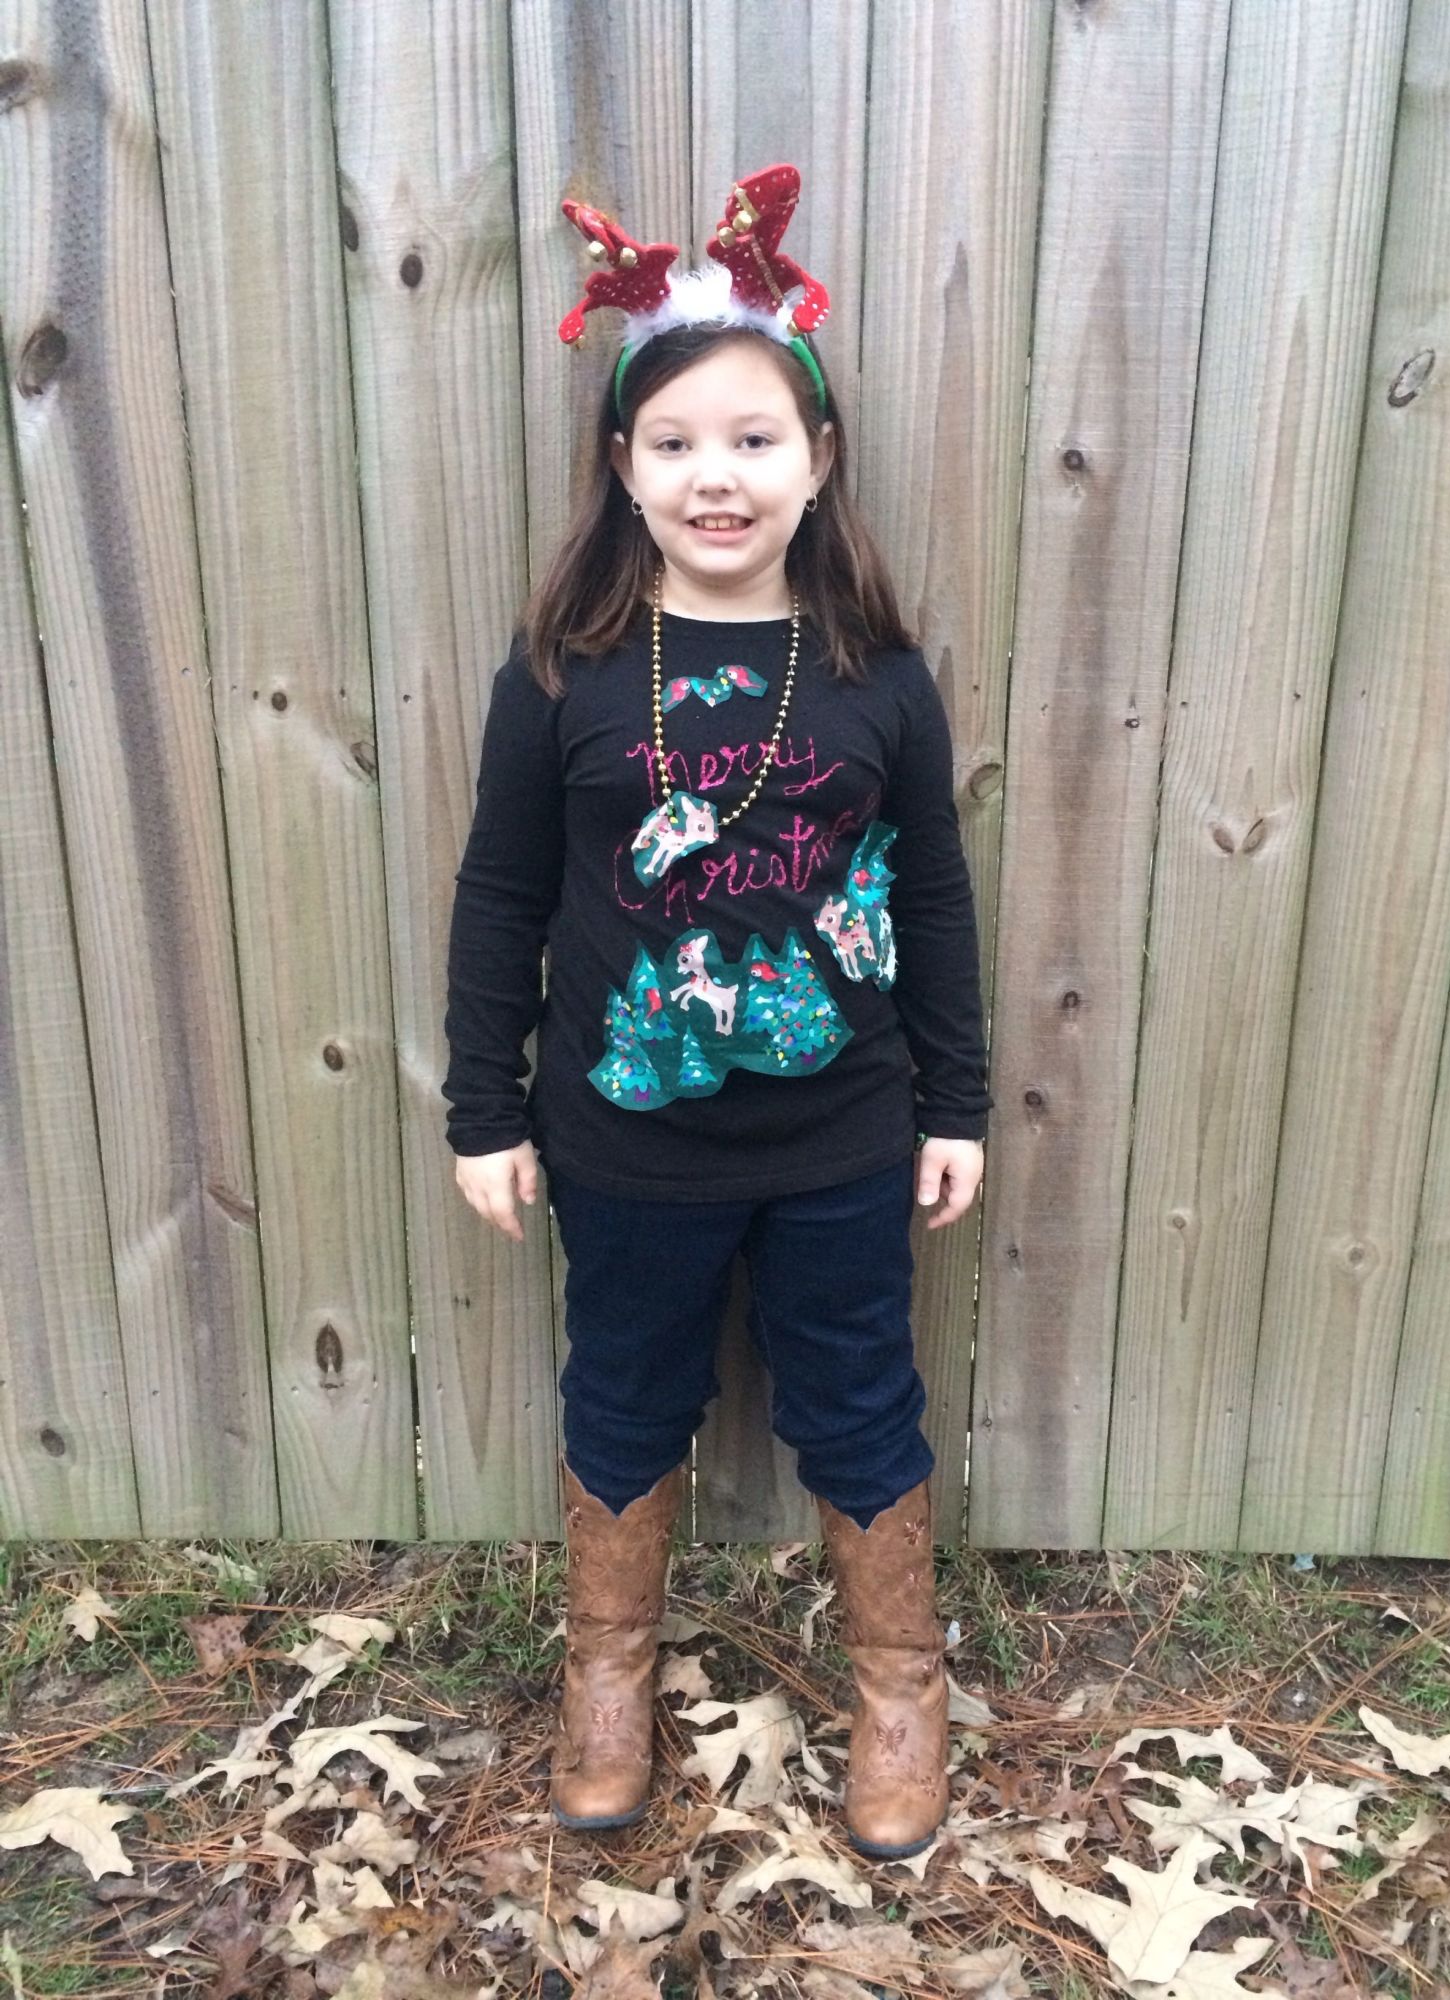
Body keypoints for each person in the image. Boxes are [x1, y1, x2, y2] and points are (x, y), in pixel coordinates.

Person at [441, 165, 991, 1861]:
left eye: (754, 438)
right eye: (676, 442)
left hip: (842, 1136)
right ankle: (607, 1678)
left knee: (859, 1394)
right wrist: (485, 1110)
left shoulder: (879, 678)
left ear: (817, 458)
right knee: (624, 1390)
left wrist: (956, 1103)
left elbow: (935, 899)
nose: (716, 475)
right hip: (627, 1143)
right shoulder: (564, 676)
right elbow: (502, 898)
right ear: (625, 468)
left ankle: (898, 1686)